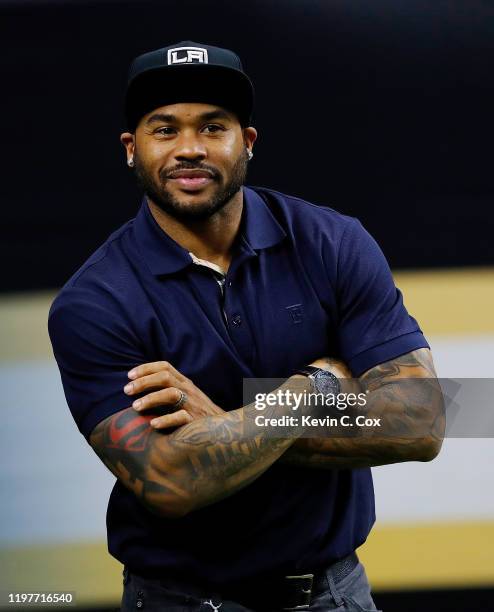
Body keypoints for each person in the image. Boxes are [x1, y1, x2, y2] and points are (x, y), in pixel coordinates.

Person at [48, 41, 444, 611]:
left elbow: (423, 421)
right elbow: (172, 481)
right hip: (181, 600)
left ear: (247, 143)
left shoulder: (332, 242)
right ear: (131, 150)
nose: (190, 149)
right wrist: (316, 385)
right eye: (165, 130)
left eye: (214, 127)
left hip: (334, 592)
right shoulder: (94, 303)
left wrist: (234, 425)